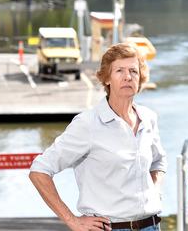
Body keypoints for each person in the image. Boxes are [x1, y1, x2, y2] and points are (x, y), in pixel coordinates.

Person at [30, 43, 167, 231]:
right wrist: (72, 220)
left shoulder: (148, 118)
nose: (128, 77)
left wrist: (155, 193)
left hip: (151, 226)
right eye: (120, 70)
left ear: (140, 77)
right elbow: (40, 170)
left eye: (134, 71)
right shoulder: (88, 124)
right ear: (107, 78)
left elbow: (158, 163)